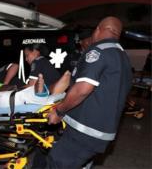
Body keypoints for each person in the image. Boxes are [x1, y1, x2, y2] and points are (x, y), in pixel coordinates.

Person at [32, 16, 132, 168]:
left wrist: (59, 112)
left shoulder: (98, 51)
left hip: (84, 132)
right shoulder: (123, 57)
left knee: (56, 163)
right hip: (102, 132)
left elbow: (83, 89)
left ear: (98, 29)